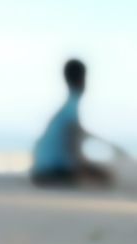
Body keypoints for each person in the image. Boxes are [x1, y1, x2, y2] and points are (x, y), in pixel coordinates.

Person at [30, 59, 114, 187]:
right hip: (52, 172)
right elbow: (72, 142)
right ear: (83, 79)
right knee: (106, 177)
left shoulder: (65, 108)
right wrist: (84, 168)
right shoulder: (71, 108)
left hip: (41, 169)